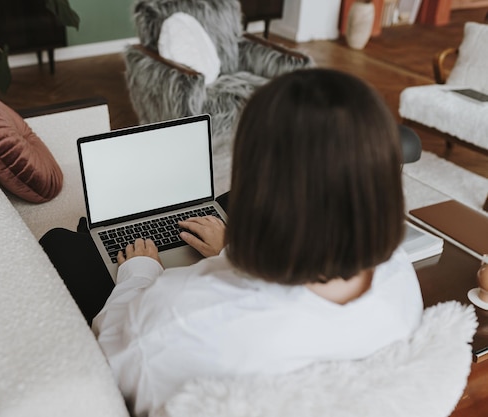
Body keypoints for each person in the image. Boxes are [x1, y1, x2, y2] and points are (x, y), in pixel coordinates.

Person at [40, 68, 424, 417]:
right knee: (217, 207)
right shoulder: (400, 276)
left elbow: (112, 357)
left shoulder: (178, 319)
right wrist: (231, 251)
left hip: (150, 308)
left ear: (256, 187)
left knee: (60, 242)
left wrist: (139, 273)